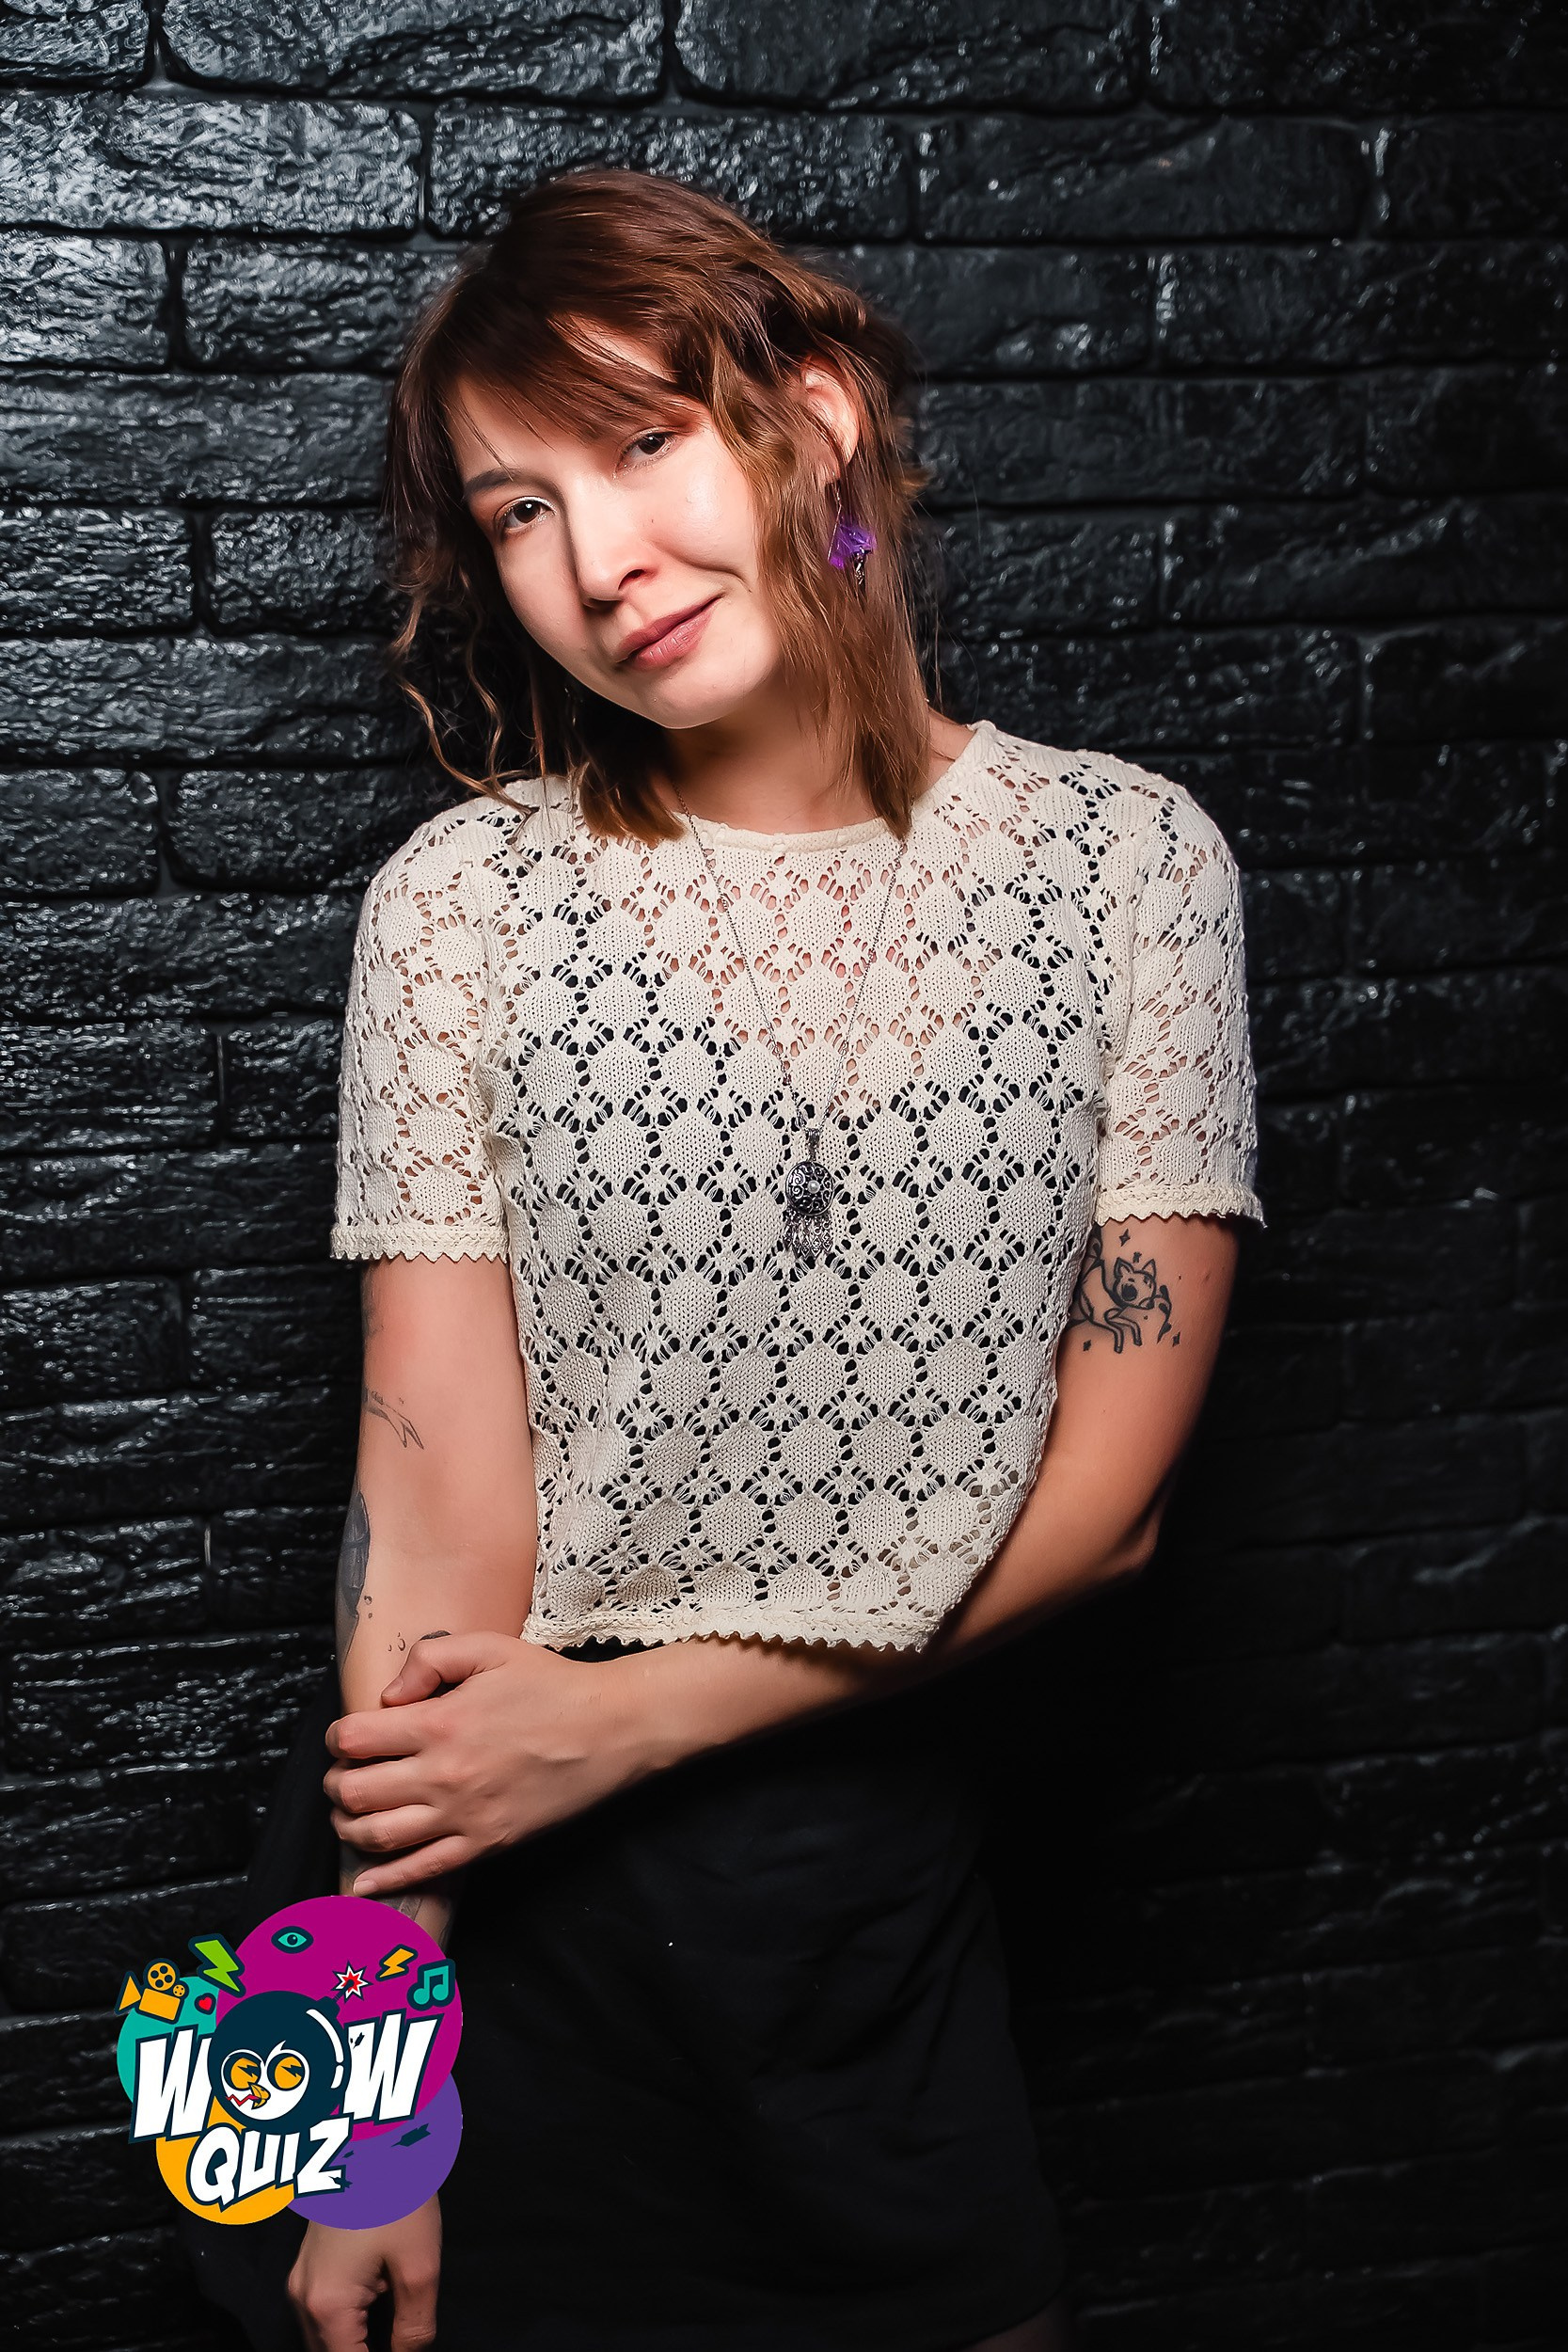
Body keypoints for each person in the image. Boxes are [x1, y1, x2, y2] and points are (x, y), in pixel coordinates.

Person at [277, 167, 1263, 2352]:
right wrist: (363, 2112)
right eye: (519, 510)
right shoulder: (464, 906)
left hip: (871, 1934)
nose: (597, 559)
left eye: (641, 444)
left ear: (813, 418)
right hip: (502, 1938)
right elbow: (427, 1547)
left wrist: (624, 1719)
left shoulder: (1128, 866)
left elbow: (1107, 1514)